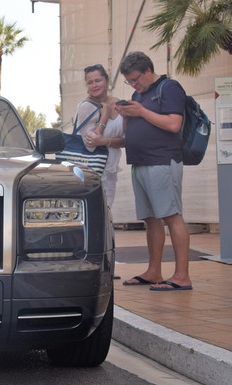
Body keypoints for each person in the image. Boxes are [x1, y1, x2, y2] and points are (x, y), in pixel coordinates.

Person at [116, 51, 192, 291]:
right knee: (151, 219)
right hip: (140, 162)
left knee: (171, 216)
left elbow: (173, 124)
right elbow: (131, 130)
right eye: (129, 81)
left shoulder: (169, 88)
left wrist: (141, 112)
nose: (133, 84)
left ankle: (182, 276)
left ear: (148, 70)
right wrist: (126, 115)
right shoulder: (138, 94)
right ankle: (154, 271)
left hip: (162, 161)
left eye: (136, 79)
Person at [76, 64, 124, 207]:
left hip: (110, 167)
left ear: (107, 81)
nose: (94, 85)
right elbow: (90, 143)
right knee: (96, 211)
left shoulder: (118, 103)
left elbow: (127, 140)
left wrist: (104, 141)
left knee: (107, 210)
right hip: (91, 169)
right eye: (90, 82)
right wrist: (105, 116)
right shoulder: (86, 106)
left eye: (98, 80)